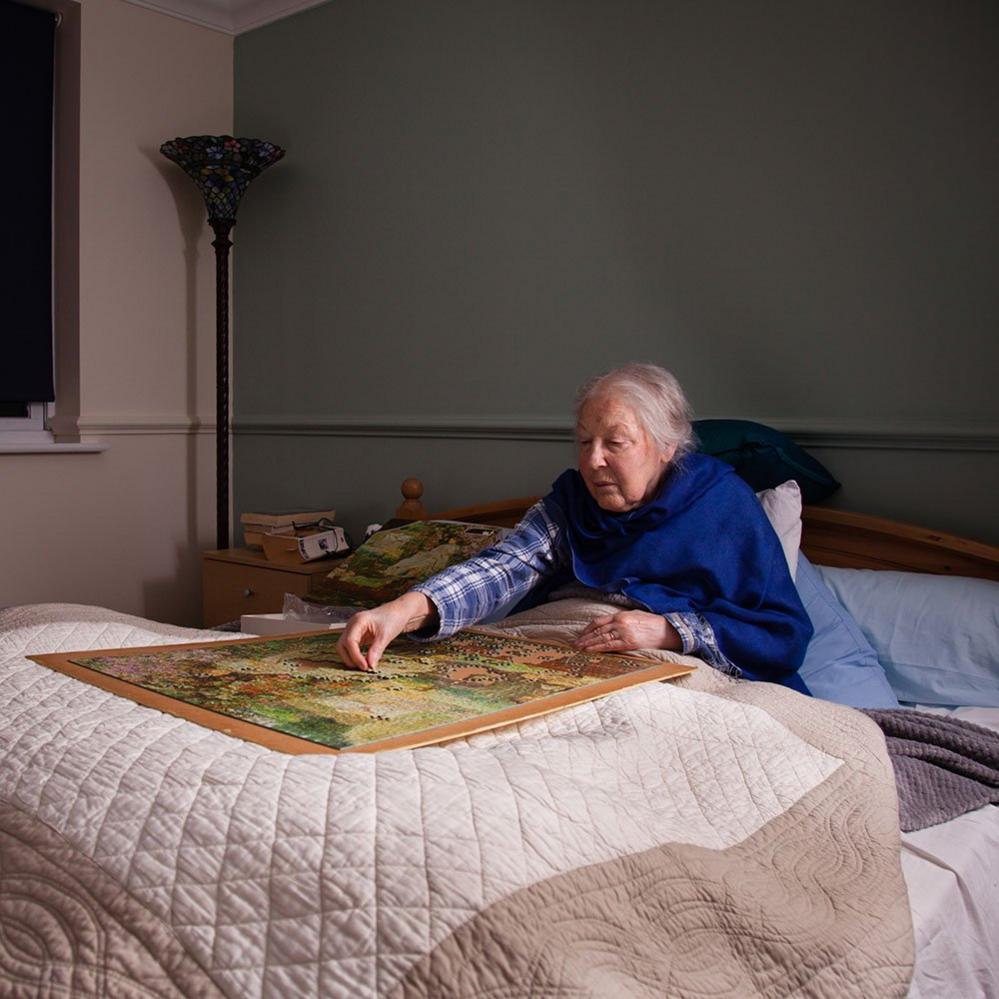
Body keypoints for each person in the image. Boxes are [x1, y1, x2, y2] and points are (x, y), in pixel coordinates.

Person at [337, 363, 813, 691]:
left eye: (615, 443)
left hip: (671, 666)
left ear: (667, 446)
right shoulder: (572, 501)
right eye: (584, 441)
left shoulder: (723, 506)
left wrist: (670, 631)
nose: (593, 461)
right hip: (566, 643)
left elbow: (780, 634)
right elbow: (504, 568)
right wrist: (403, 609)